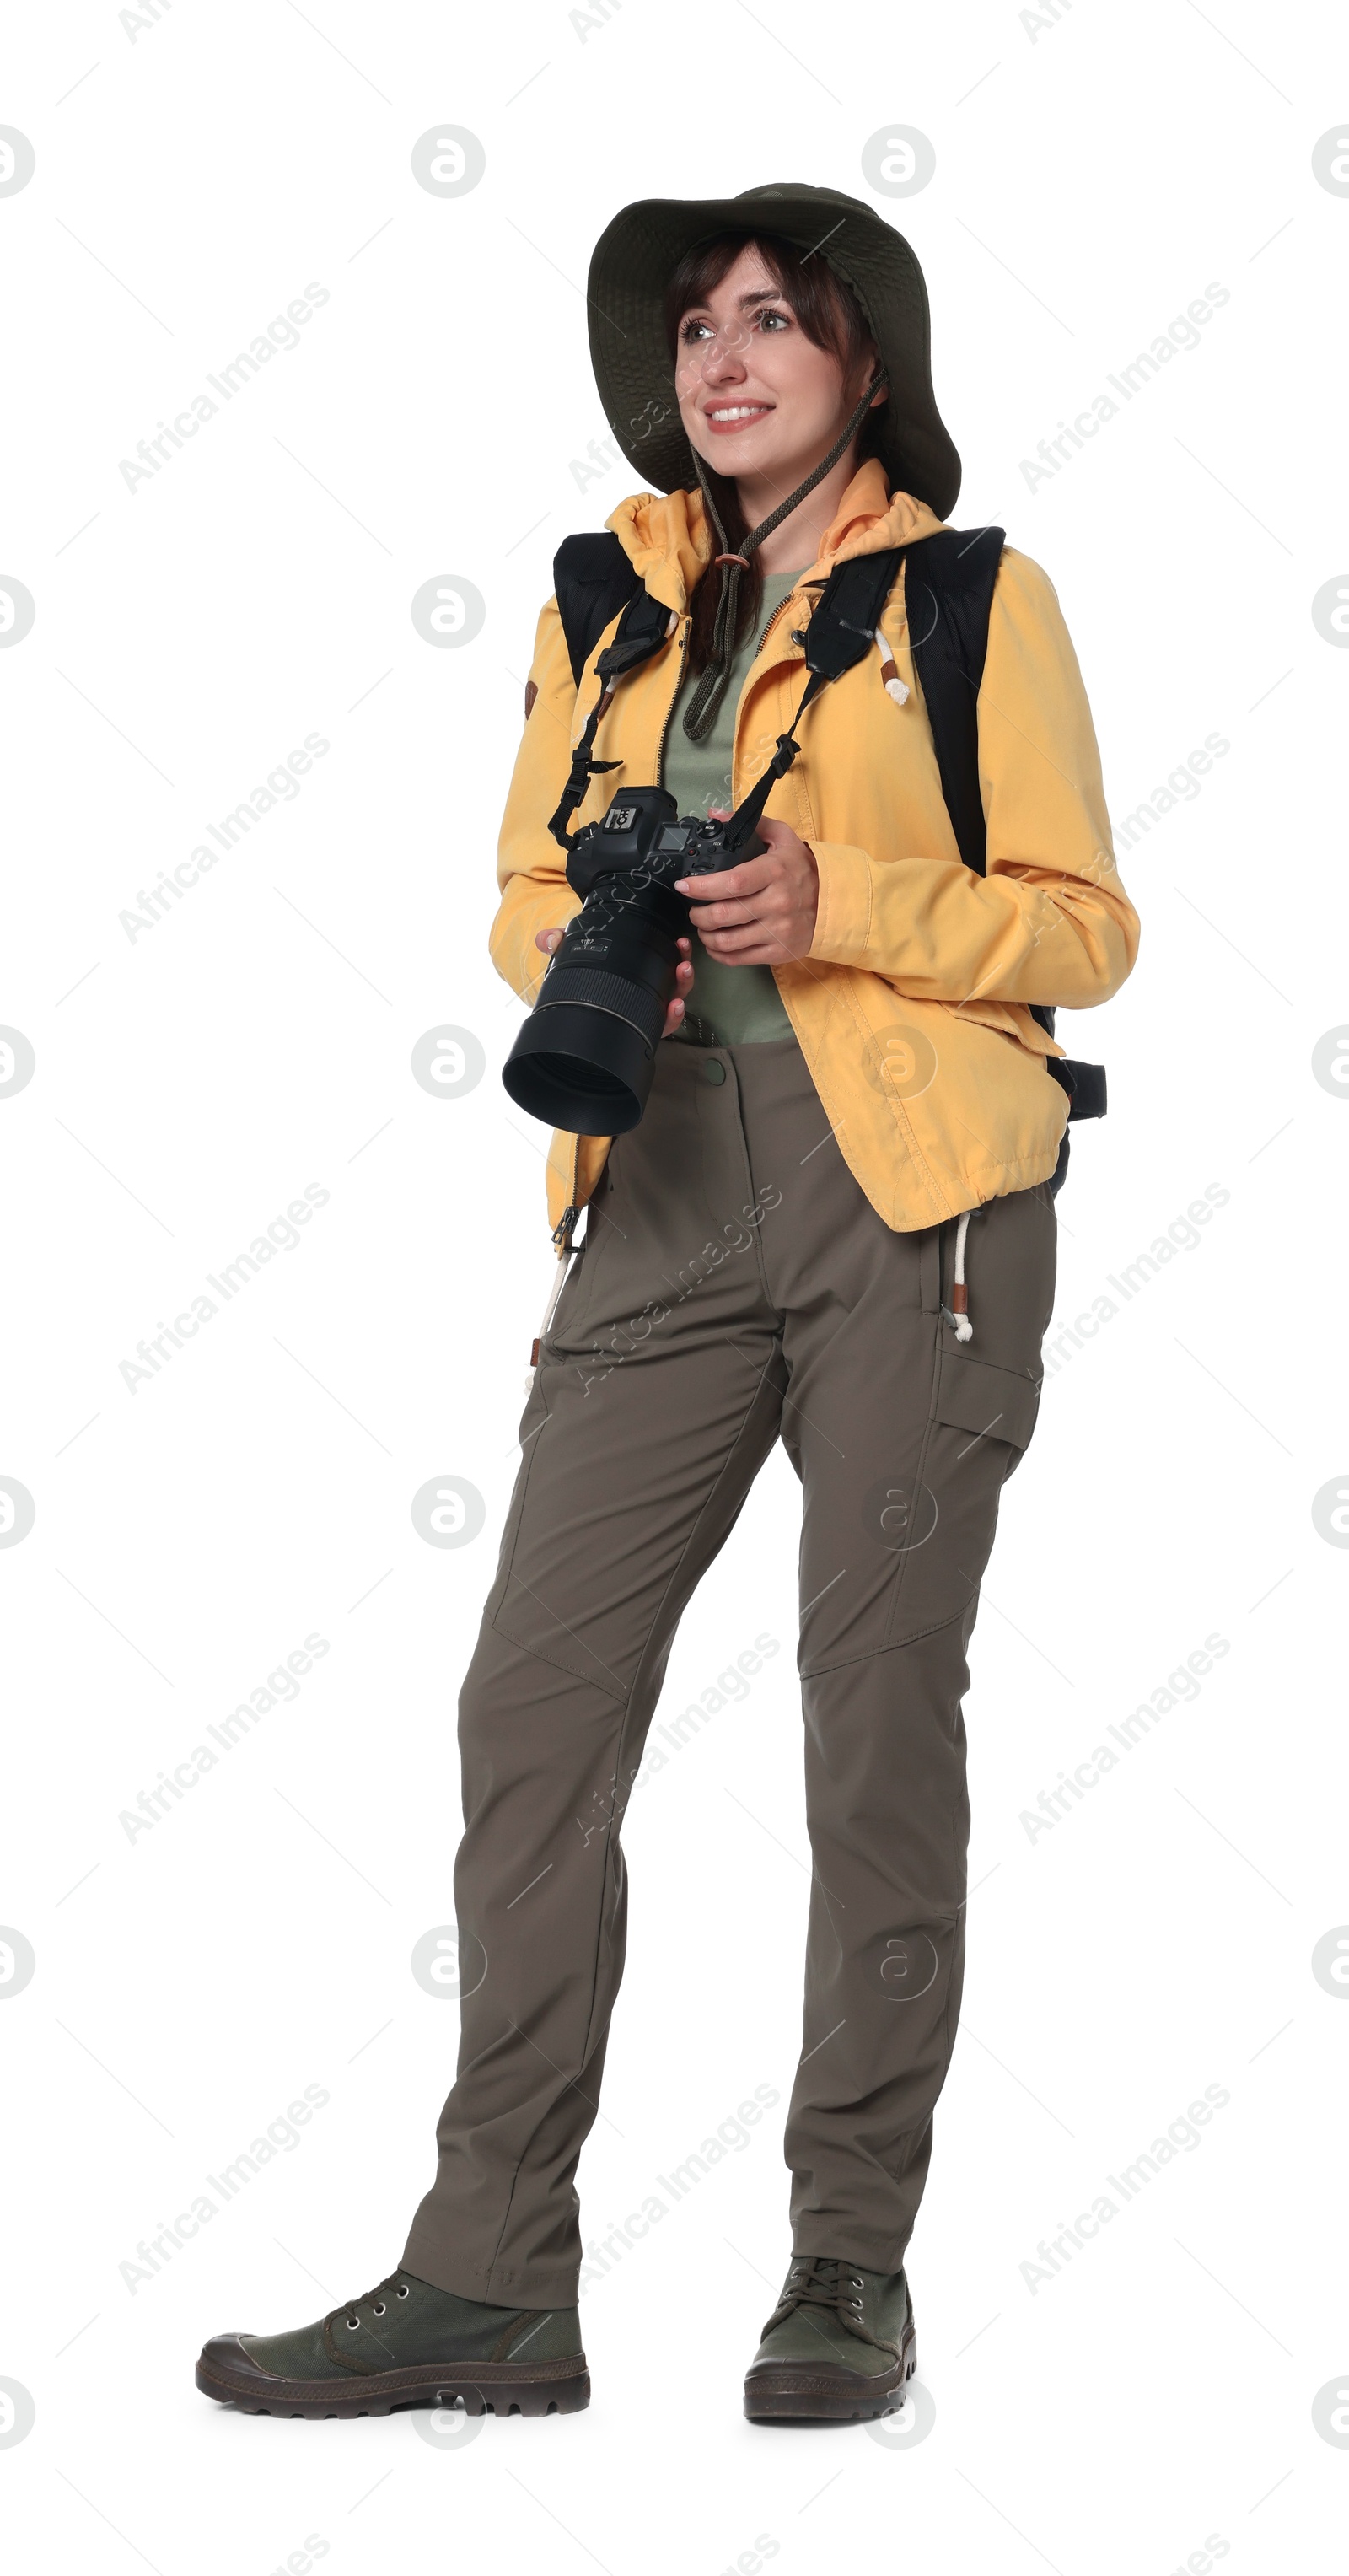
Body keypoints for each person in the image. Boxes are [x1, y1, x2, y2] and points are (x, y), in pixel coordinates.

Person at [196, 183, 1140, 2426]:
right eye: (697, 326)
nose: (723, 360)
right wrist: (615, 940)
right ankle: (493, 2268)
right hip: (661, 1189)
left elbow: (1087, 928)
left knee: (870, 1722)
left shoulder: (973, 601)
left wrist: (838, 896)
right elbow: (528, 891)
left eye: (774, 324)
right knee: (533, 1708)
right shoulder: (601, 605)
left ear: (865, 363)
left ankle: (845, 2264)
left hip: (913, 1198)